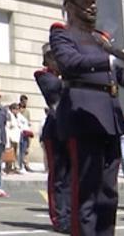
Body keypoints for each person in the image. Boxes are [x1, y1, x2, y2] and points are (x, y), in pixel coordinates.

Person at [50, 0, 124, 236]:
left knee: (108, 195)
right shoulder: (63, 34)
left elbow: (115, 77)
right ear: (69, 5)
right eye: (84, 0)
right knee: (87, 193)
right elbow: (68, 63)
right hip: (84, 116)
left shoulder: (101, 39)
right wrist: (110, 61)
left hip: (110, 117)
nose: (92, 4)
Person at [34, 43, 70, 233]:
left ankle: (70, 214)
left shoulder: (66, 76)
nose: (57, 59)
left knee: (71, 175)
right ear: (47, 59)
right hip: (54, 130)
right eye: (53, 56)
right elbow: (55, 88)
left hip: (71, 129)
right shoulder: (43, 75)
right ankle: (59, 217)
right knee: (58, 176)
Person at [4, 103, 22, 175]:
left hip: (16, 137)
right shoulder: (9, 116)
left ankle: (15, 167)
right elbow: (7, 127)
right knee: (9, 153)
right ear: (12, 109)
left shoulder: (17, 116)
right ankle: (8, 168)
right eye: (16, 109)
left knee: (16, 154)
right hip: (11, 137)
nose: (17, 111)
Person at [18, 94, 33, 172]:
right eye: (24, 102)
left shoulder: (27, 111)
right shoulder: (17, 109)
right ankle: (19, 165)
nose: (25, 103)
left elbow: (28, 121)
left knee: (26, 149)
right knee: (19, 149)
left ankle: (25, 164)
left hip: (26, 132)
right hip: (19, 132)